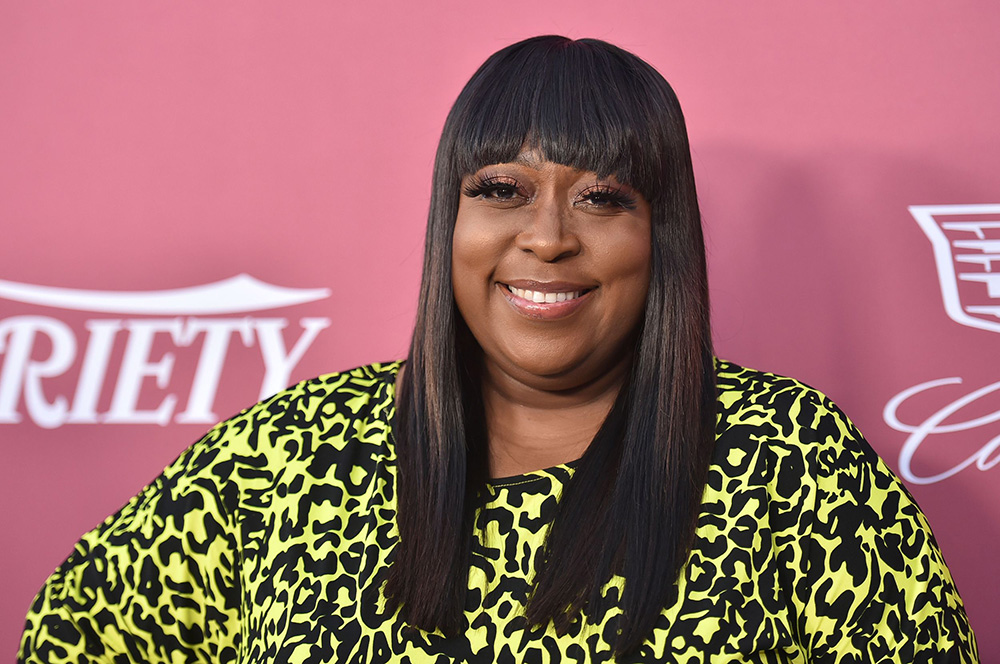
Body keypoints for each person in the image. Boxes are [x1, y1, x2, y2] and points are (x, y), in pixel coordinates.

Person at [18, 35, 977, 664]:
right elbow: (73, 634)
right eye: (502, 189)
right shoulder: (289, 455)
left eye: (604, 197)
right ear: (453, 219)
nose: (549, 237)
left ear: (663, 236)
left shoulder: (791, 459)